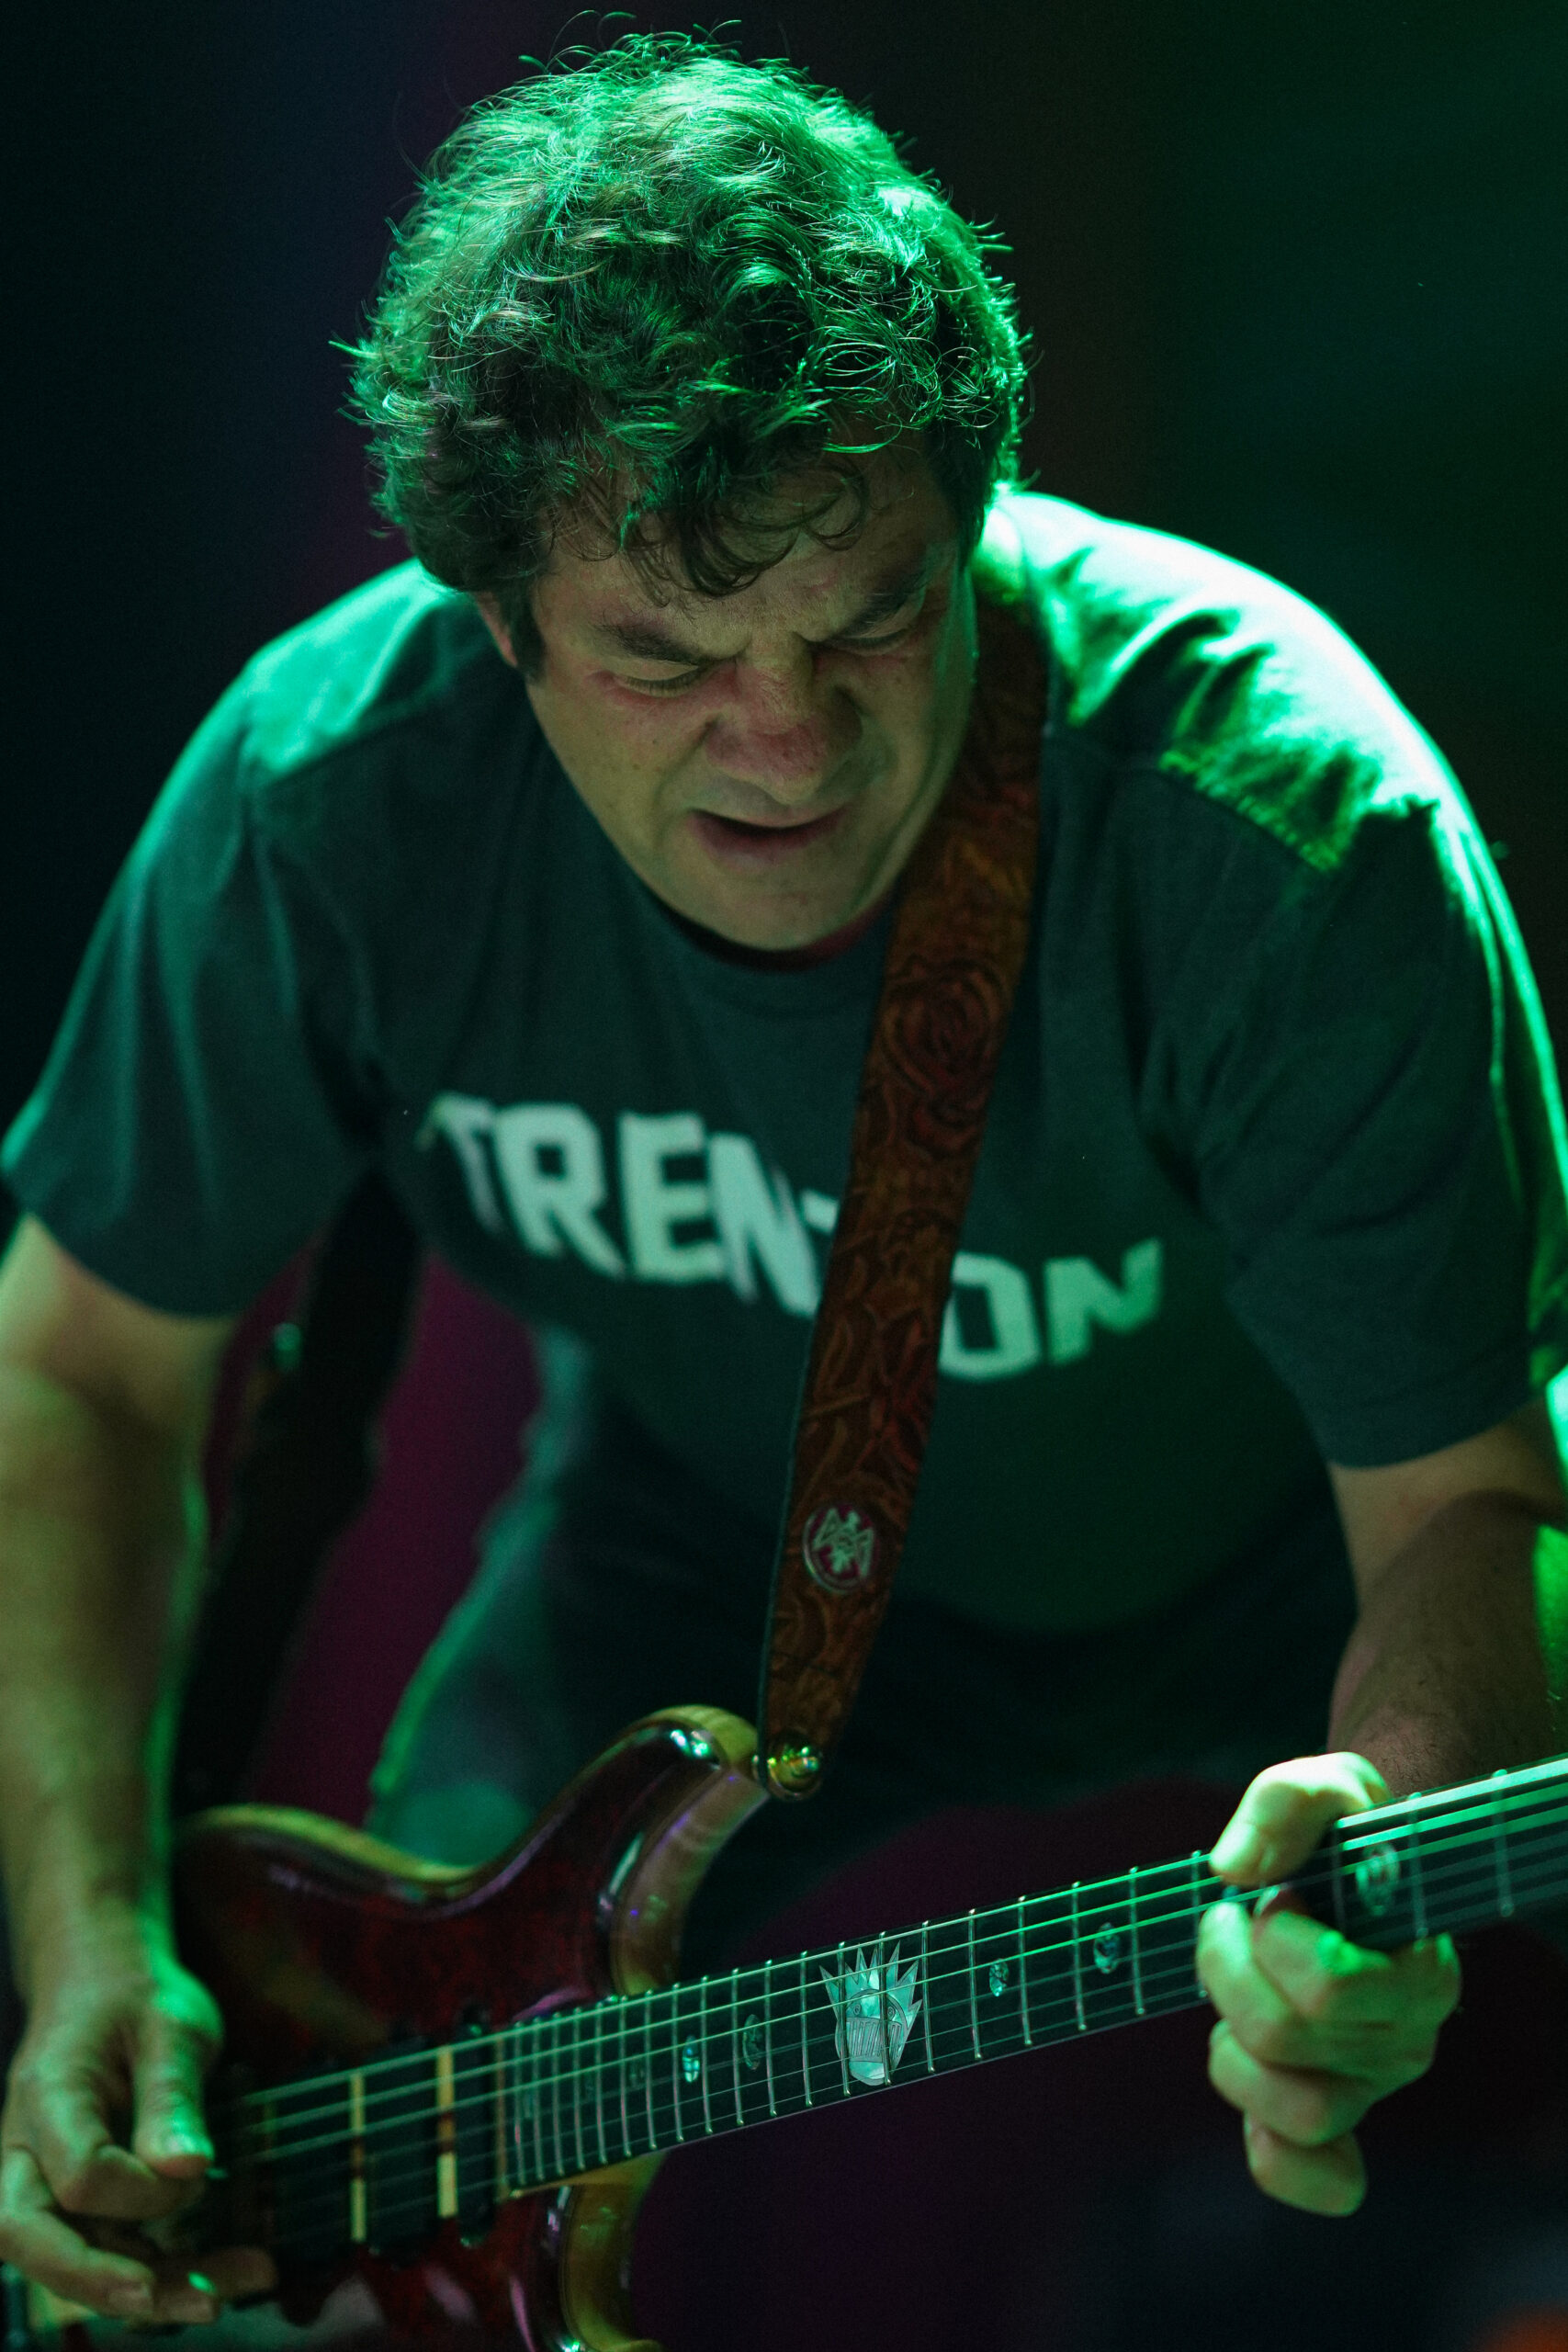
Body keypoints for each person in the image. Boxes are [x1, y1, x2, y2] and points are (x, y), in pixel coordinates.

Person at [0, 29, 1564, 2330]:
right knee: (325, 2225)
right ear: (494, 621)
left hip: (1291, 1551)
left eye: (870, 616)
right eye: (662, 653)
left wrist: (1392, 1811)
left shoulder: (1288, 829)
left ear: (976, 514)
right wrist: (86, 1939)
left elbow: (1464, 1506)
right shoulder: (328, 799)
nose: (790, 740)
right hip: (703, 1546)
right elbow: (81, 1370)